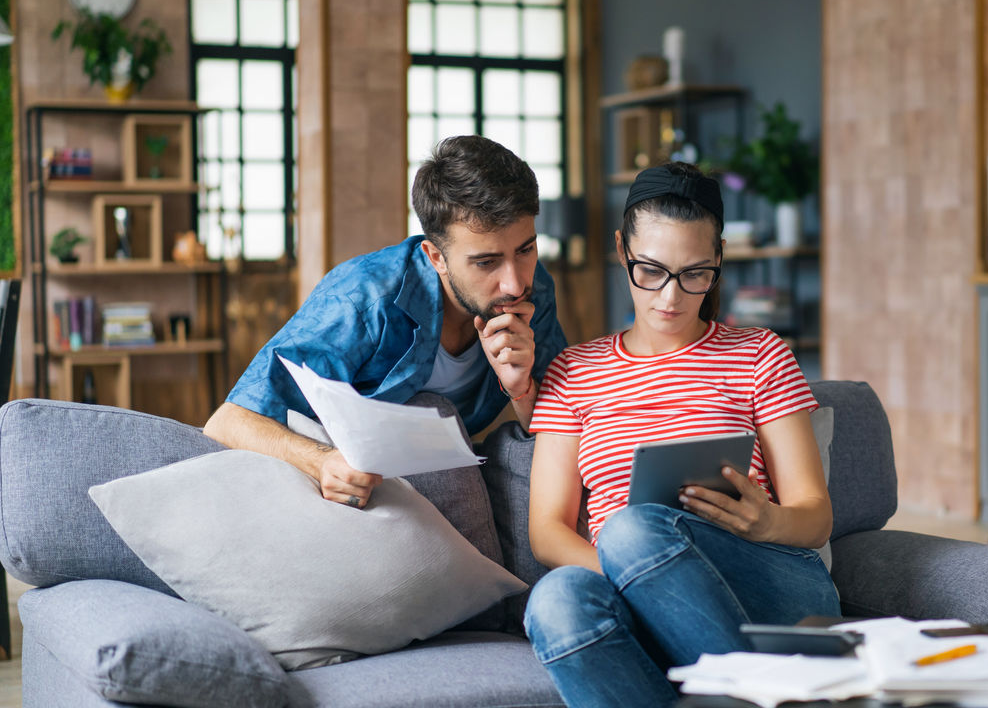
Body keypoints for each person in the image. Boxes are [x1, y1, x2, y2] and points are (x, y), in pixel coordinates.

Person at [523, 162, 839, 707]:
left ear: (717, 260)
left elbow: (816, 516)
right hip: (629, 580)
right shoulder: (573, 371)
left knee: (629, 530)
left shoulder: (760, 354)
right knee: (556, 599)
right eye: (651, 270)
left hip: (767, 578)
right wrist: (636, 578)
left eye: (695, 274)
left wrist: (768, 521)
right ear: (623, 249)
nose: (670, 297)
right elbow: (547, 531)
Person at [203, 135, 568, 509]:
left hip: (448, 468)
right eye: (486, 262)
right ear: (435, 257)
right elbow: (228, 421)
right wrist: (321, 461)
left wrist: (521, 389)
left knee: (538, 455)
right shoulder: (364, 298)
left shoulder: (533, 287)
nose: (515, 282)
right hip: (348, 480)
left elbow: (562, 423)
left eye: (525, 249)